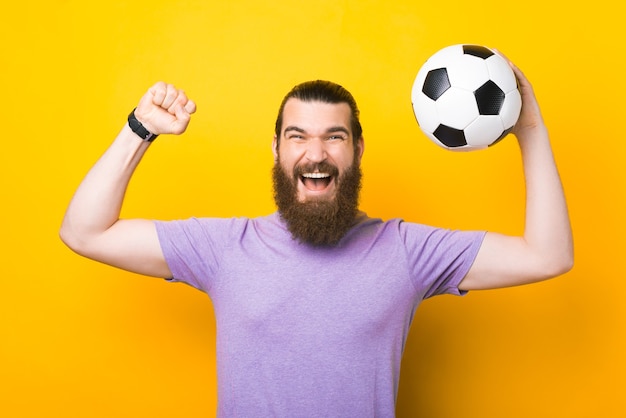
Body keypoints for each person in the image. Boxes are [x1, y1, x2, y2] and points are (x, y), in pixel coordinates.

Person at [60, 58, 573, 417]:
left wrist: (529, 127)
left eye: (335, 136)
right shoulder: (222, 248)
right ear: (277, 150)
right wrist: (139, 128)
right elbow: (85, 231)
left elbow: (547, 255)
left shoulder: (408, 252)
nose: (316, 153)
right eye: (298, 136)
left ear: (357, 150)